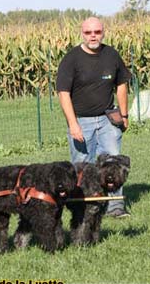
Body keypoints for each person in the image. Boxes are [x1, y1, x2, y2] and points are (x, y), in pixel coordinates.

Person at [56, 17, 131, 218]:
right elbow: (63, 93)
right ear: (82, 33)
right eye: (89, 32)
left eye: (97, 32)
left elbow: (122, 84)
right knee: (81, 165)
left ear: (103, 32)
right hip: (82, 121)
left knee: (114, 162)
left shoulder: (111, 55)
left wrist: (124, 115)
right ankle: (81, 208)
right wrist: (73, 124)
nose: (93, 36)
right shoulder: (71, 59)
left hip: (108, 120)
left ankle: (115, 207)